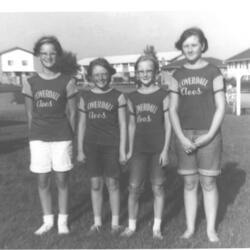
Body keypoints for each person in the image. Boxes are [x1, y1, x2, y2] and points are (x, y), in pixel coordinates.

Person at [169, 27, 225, 242]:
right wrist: (182, 137)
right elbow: (172, 109)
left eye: (194, 44)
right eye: (186, 46)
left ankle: (211, 230)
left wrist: (210, 135)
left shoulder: (213, 72)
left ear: (202, 45)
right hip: (184, 135)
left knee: (208, 183)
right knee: (190, 183)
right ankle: (190, 228)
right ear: (181, 48)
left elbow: (221, 107)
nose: (190, 49)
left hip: (208, 135)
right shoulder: (177, 74)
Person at [22, 36, 78, 235]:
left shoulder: (67, 81)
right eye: (44, 53)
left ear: (58, 55)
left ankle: (63, 221)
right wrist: (34, 135)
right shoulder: (30, 81)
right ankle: (47, 221)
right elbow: (30, 113)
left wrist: (71, 137)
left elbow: (72, 113)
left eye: (52, 53)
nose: (48, 57)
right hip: (38, 138)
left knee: (62, 180)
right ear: (38, 55)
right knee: (42, 181)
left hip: (62, 137)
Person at [121, 54, 171, 239]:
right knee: (134, 187)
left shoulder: (162, 95)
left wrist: (166, 149)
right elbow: (132, 124)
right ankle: (131, 226)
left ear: (155, 72)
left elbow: (168, 124)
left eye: (148, 70)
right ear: (136, 73)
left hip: (158, 148)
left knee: (158, 187)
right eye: (141, 71)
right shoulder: (132, 97)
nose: (145, 74)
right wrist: (129, 149)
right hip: (139, 149)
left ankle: (156, 227)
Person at [77, 58, 127, 234]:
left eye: (104, 74)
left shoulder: (118, 96)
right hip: (91, 146)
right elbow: (82, 124)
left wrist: (122, 150)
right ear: (91, 76)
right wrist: (80, 149)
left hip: (111, 146)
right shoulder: (85, 97)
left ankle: (115, 223)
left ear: (110, 74)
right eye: (97, 74)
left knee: (112, 184)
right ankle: (97, 222)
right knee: (95, 184)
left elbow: (123, 125)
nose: (101, 78)